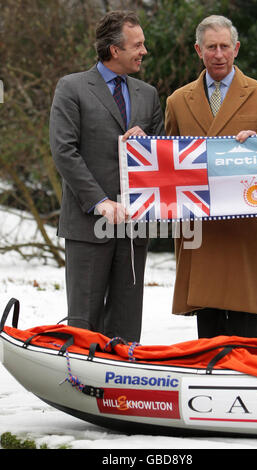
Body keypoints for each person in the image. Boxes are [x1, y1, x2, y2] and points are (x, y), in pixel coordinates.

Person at [165, 15, 257, 338]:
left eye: (224, 46)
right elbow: (168, 166)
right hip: (201, 230)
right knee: (209, 336)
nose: (218, 54)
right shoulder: (177, 102)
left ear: (236, 49)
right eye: (211, 47)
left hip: (243, 230)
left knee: (246, 335)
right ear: (198, 50)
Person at [49, 11, 164, 342]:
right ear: (115, 49)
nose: (144, 51)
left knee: (127, 328)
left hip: (134, 230)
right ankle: (81, 388)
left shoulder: (148, 94)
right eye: (138, 44)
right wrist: (100, 201)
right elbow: (64, 151)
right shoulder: (71, 88)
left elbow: (163, 158)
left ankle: (122, 390)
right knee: (83, 324)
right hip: (88, 226)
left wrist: (150, 146)